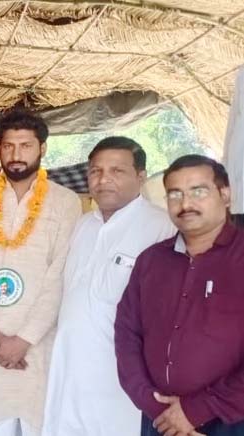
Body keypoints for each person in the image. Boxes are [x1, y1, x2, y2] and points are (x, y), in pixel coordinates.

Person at [42, 137, 175, 436]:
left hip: (121, 385)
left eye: (117, 171)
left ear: (140, 177)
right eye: (95, 171)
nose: (103, 180)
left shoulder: (162, 228)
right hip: (69, 376)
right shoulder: (82, 225)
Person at [0, 111, 81, 436]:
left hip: (40, 346)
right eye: (9, 146)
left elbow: (61, 275)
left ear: (42, 148)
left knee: (40, 425)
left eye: (25, 146)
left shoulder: (65, 202)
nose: (16, 155)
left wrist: (24, 339)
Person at [116, 155, 244, 436]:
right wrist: (154, 406)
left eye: (198, 191)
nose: (185, 204)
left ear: (225, 194)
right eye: (175, 194)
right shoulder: (151, 261)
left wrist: (196, 410)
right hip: (159, 419)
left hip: (230, 419)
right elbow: (127, 335)